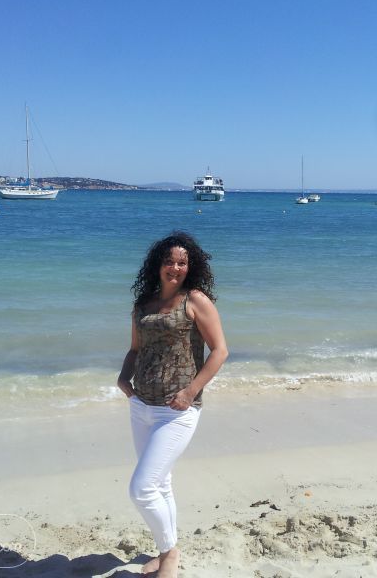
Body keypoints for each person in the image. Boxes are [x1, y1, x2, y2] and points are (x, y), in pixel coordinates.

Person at [116, 231, 228, 577]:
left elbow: (220, 351)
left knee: (142, 488)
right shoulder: (143, 304)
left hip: (177, 410)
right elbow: (135, 349)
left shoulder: (195, 300)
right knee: (160, 484)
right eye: (169, 261)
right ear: (157, 265)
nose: (175, 268)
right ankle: (166, 552)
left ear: (190, 266)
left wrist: (191, 392)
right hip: (141, 405)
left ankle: (170, 554)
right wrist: (123, 377)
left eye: (182, 262)